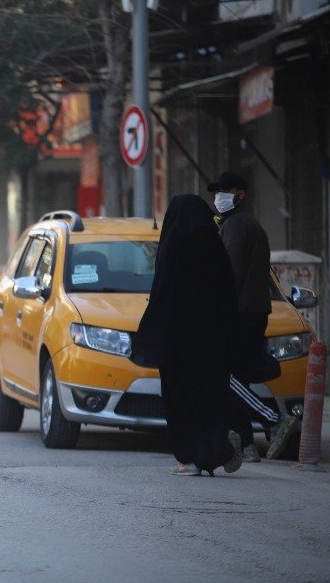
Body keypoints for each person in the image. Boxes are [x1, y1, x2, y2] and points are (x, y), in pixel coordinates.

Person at [134, 194, 243, 476]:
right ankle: (214, 451)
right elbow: (228, 297)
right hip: (212, 344)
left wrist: (155, 337)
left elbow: (162, 296)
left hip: (178, 345)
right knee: (211, 399)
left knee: (181, 400)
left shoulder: (172, 248)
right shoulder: (213, 248)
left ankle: (191, 457)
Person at [209, 171, 298, 461]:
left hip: (241, 314)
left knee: (225, 378)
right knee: (238, 380)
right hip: (250, 311)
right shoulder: (242, 224)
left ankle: (273, 420)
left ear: (241, 194)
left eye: (225, 190)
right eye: (217, 190)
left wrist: (216, 312)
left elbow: (228, 275)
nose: (219, 196)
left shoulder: (237, 226)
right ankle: (245, 443)